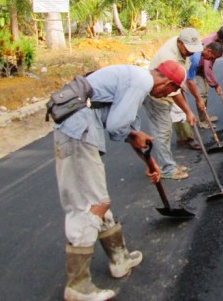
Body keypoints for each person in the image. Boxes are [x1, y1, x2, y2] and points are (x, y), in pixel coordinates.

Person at [52, 60, 185, 301]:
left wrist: (151, 164)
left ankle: (119, 259)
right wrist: (135, 135)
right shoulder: (142, 81)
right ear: (166, 82)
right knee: (92, 204)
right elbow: (117, 127)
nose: (167, 95)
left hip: (81, 130)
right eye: (170, 90)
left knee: (100, 201)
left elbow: (130, 132)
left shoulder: (135, 80)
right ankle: (77, 285)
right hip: (77, 133)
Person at [144, 28, 202, 180]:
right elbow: (173, 91)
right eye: (189, 49)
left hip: (169, 91)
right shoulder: (168, 57)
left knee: (166, 130)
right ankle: (167, 168)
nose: (191, 53)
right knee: (162, 131)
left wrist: (186, 110)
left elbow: (178, 86)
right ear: (180, 43)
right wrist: (188, 111)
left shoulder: (182, 46)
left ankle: (168, 163)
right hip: (157, 96)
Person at [173, 41, 223, 146]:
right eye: (212, 57)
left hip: (179, 74)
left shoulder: (198, 51)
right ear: (208, 51)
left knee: (180, 109)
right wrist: (199, 99)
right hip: (171, 77)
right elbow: (190, 81)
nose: (211, 60)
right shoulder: (195, 58)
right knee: (179, 110)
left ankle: (183, 139)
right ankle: (187, 139)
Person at [195, 27, 223, 128]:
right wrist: (215, 85)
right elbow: (207, 68)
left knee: (205, 93)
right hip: (196, 69)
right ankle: (203, 121)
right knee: (201, 94)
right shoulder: (209, 44)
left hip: (202, 68)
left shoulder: (216, 40)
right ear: (219, 37)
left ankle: (205, 116)